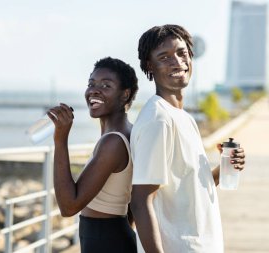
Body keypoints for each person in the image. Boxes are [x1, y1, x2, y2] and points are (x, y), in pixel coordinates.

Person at [130, 24, 246, 253]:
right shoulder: (159, 120)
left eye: (182, 53)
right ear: (150, 67)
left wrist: (222, 170)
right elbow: (141, 201)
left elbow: (187, 187)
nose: (177, 62)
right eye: (164, 57)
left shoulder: (183, 117)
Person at [48, 57, 139, 253]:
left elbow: (68, 207)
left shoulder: (113, 142)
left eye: (106, 85)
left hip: (106, 239)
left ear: (125, 94)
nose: (94, 90)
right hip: (111, 236)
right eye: (91, 83)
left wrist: (60, 139)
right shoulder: (127, 132)